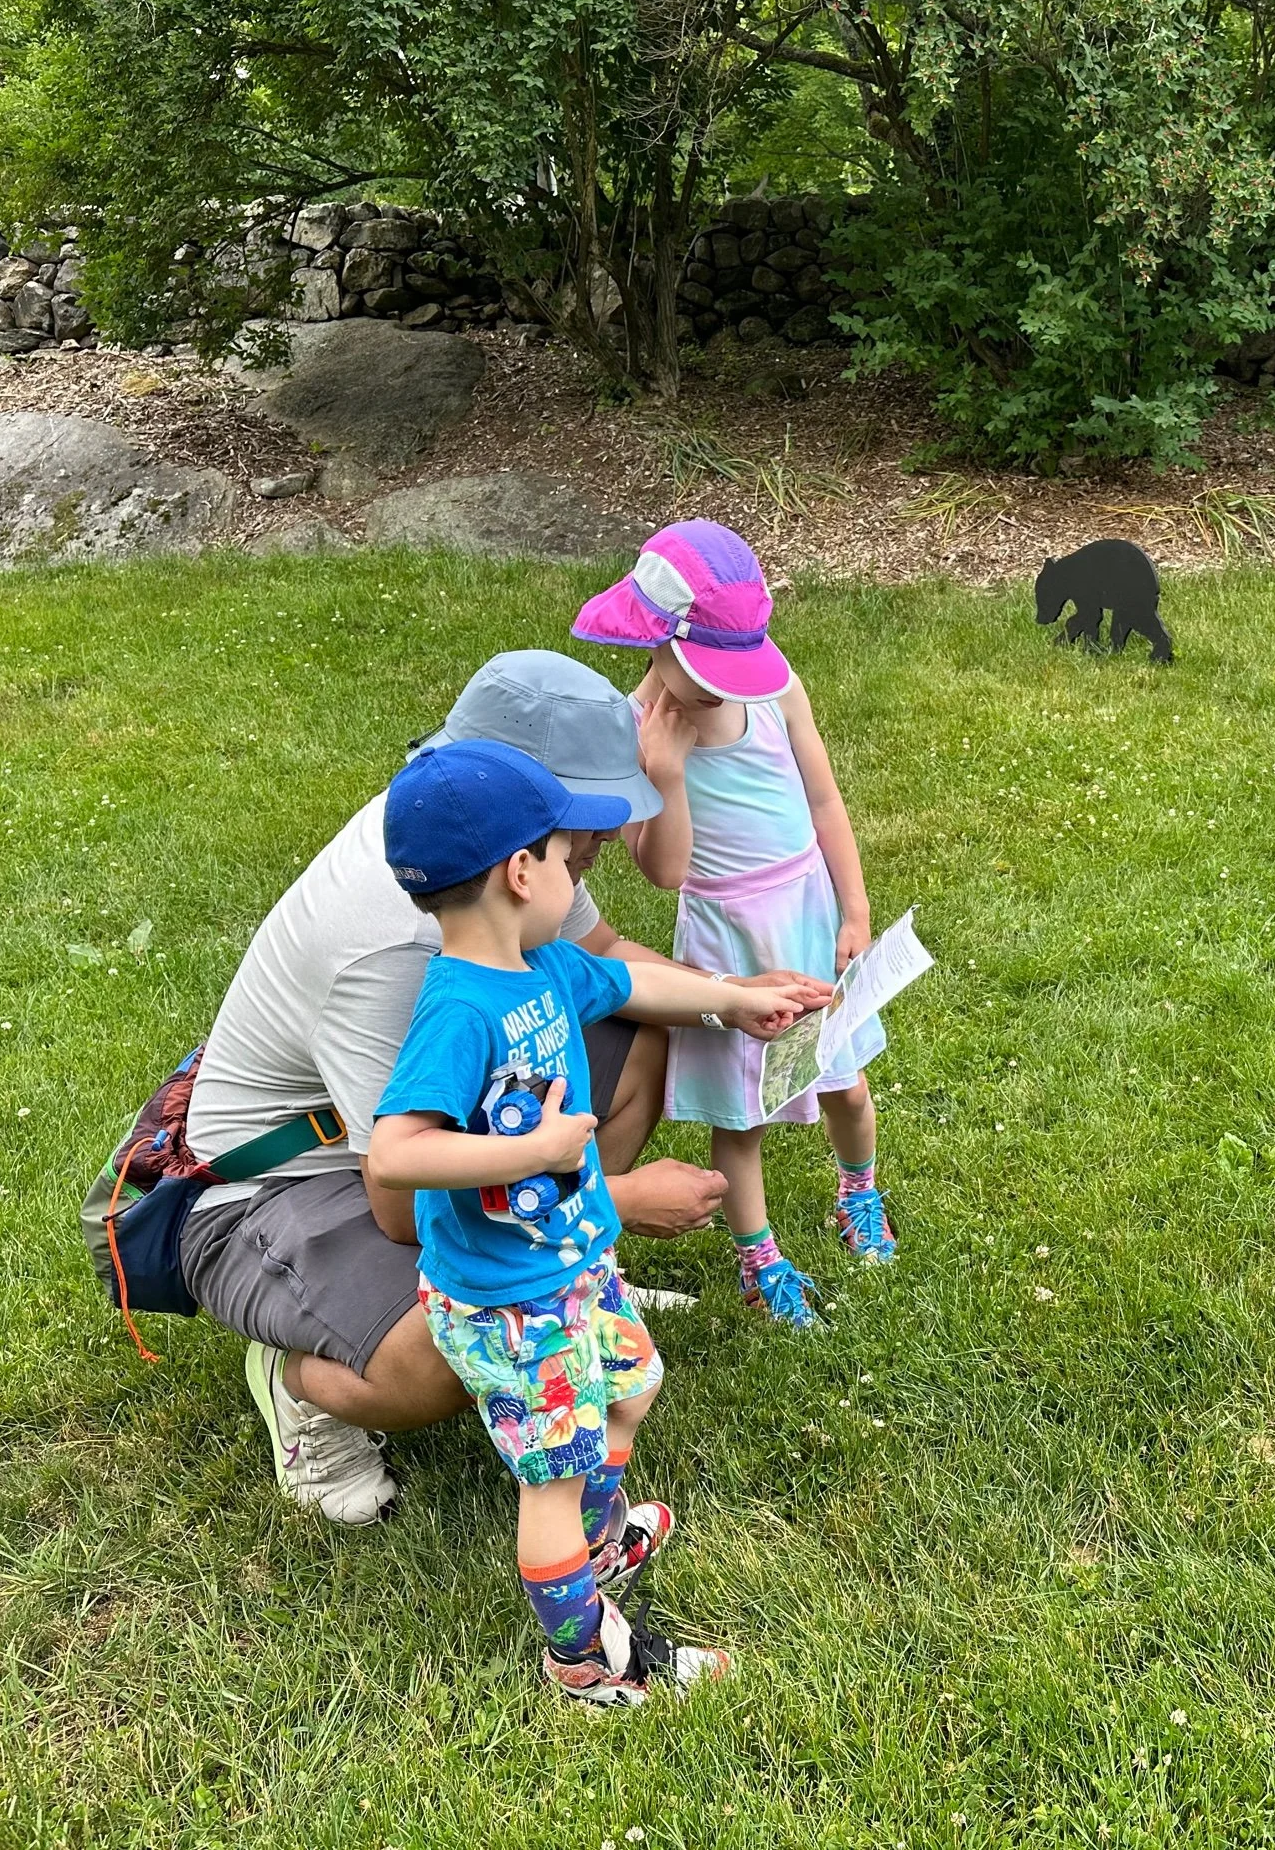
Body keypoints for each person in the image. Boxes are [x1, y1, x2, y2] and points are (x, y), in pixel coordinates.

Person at [181, 652, 820, 1525]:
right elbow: (402, 1197)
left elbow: (609, 971)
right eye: (586, 822)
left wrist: (736, 1001)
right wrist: (613, 1196)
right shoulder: (397, 951)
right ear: (522, 850)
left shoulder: (486, 859)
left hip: (420, 1147)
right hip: (281, 1184)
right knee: (456, 1342)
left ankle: (567, 1272)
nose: (600, 844)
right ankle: (300, 1385)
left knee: (636, 1039)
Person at [369, 739, 813, 1704]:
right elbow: (395, 1153)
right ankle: (583, 1659)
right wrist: (535, 1150)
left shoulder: (548, 969)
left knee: (634, 1383)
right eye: (569, 857)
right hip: (506, 1302)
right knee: (554, 1478)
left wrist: (738, 1001)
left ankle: (598, 1552)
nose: (579, 871)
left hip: (572, 1269)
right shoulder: (458, 1011)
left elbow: (639, 985)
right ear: (520, 871)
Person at [572, 519, 893, 1332]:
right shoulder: (639, 726)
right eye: (711, 671)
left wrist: (853, 907)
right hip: (724, 935)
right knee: (739, 1116)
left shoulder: (775, 686)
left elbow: (823, 799)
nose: (727, 685)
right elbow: (665, 870)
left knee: (843, 1083)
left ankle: (858, 1190)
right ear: (659, 643)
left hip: (804, 911)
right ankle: (760, 1258)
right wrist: (665, 775)